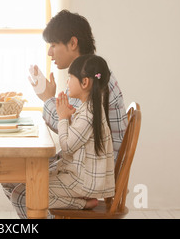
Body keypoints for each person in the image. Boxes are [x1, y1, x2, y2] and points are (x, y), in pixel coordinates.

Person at [6, 55, 115, 218]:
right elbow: (77, 141)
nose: (67, 82)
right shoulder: (90, 110)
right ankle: (82, 204)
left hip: (83, 183)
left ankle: (81, 203)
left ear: (84, 83)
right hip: (81, 179)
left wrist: (63, 117)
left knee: (21, 194)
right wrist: (69, 118)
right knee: (19, 183)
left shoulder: (88, 114)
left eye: (70, 77)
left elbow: (67, 146)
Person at [29, 10, 127, 160]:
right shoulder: (89, 72)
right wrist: (51, 98)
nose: (50, 53)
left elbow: (69, 129)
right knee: (15, 174)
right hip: (84, 161)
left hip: (93, 172)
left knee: (15, 173)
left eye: (54, 45)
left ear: (73, 43)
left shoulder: (90, 79)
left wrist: (47, 98)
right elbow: (72, 117)